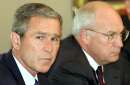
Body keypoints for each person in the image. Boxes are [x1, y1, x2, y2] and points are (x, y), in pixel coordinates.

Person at [47, 1, 130, 85]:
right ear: (85, 36)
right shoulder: (66, 67)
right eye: (111, 35)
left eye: (121, 34)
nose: (120, 44)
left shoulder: (114, 60)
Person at [0, 3, 62, 85]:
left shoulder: (46, 78)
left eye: (54, 39)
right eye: (40, 37)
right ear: (16, 41)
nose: (49, 48)